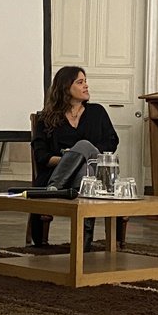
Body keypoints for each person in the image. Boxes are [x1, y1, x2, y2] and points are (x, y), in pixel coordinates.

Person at [30, 66, 119, 250]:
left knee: (85, 151)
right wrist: (71, 160)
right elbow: (41, 156)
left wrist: (79, 153)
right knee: (85, 169)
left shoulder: (97, 112)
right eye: (80, 82)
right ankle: (84, 241)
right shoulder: (46, 118)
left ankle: (55, 187)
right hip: (57, 172)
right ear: (65, 87)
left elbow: (111, 142)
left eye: (85, 81)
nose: (86, 86)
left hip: (93, 174)